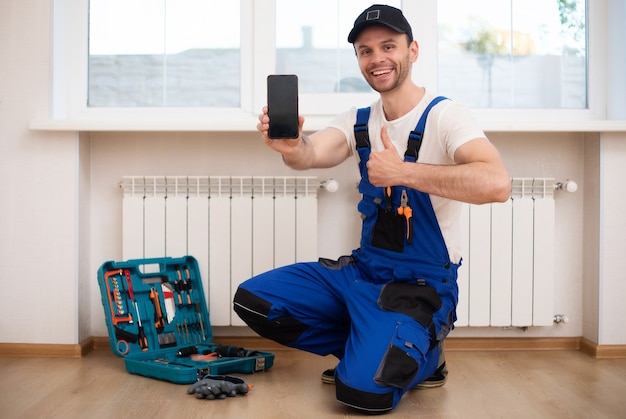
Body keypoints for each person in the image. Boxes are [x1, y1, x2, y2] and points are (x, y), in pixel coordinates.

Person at [234, 4, 510, 414]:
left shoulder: (445, 116)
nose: (376, 58)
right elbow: (311, 154)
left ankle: (424, 355)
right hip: (362, 273)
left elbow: (497, 184)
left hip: (419, 288)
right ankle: (369, 345)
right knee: (255, 300)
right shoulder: (358, 120)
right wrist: (291, 148)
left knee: (360, 395)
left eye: (388, 46)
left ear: (412, 50)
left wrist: (405, 172)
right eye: (365, 51)